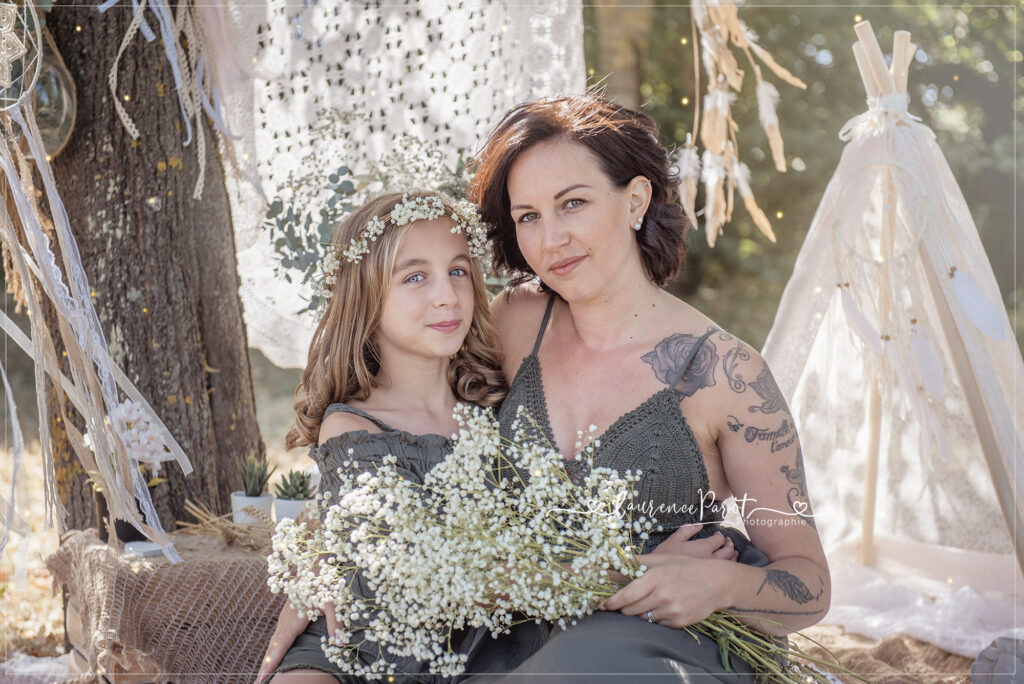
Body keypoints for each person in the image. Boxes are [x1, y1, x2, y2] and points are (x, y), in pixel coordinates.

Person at [468, 93, 831, 681]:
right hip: (510, 630)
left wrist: (718, 582)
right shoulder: (513, 323)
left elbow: (810, 586)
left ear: (635, 199)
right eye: (528, 216)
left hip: (652, 651)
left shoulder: (726, 375)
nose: (550, 239)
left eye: (573, 204)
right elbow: (415, 438)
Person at [256, 191, 547, 683]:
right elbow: (394, 571)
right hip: (362, 645)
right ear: (367, 299)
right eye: (415, 277)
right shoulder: (354, 427)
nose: (446, 296)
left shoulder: (494, 411)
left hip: (476, 647)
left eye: (458, 271)